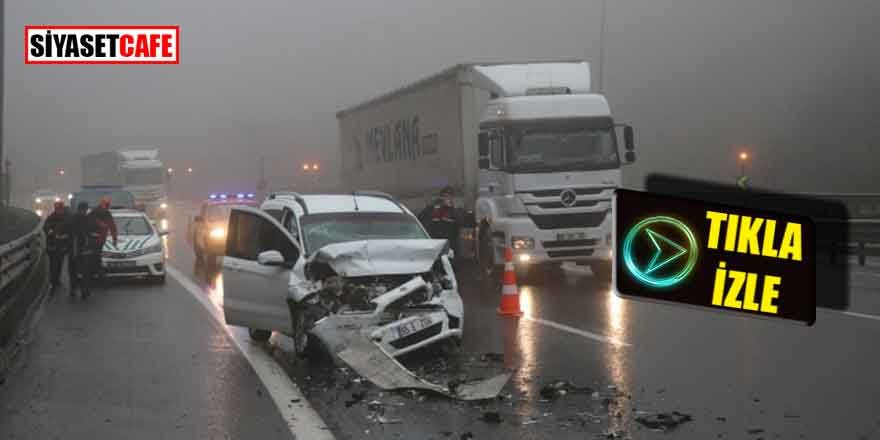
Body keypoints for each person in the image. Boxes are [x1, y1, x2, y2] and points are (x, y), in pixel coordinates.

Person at [69, 202, 101, 298]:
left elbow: (95, 231)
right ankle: (82, 290)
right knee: (83, 272)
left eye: (85, 209)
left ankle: (77, 290)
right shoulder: (87, 219)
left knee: (76, 272)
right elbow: (94, 231)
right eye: (84, 209)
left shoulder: (73, 218)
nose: (85, 211)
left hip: (77, 250)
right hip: (81, 250)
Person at [419, 186, 460, 261]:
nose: (447, 199)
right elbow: (421, 217)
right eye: (445, 196)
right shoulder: (434, 207)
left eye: (449, 196)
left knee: (450, 261)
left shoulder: (452, 210)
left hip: (449, 242)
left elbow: (458, 223)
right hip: (436, 241)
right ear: (441, 197)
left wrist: (451, 208)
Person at [43, 201, 71, 289]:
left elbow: (70, 230)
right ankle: (53, 281)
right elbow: (46, 227)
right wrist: (50, 232)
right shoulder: (51, 217)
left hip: (62, 246)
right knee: (53, 264)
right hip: (52, 245)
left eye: (60, 209)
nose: (58, 211)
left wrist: (65, 236)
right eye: (57, 209)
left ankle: (57, 280)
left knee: (59, 264)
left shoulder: (66, 218)